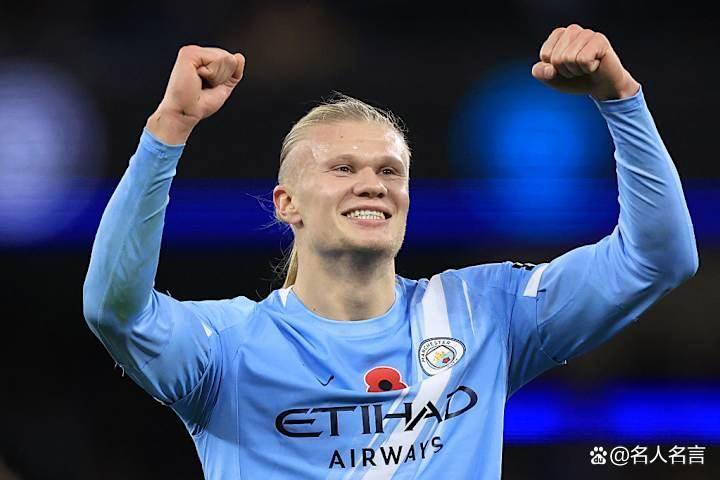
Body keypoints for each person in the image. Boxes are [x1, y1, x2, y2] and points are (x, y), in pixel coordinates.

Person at [83, 24, 698, 479]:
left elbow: (658, 258)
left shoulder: (485, 313)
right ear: (287, 204)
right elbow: (116, 310)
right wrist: (169, 129)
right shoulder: (230, 346)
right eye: (342, 168)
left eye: (389, 170)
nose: (372, 184)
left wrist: (620, 98)